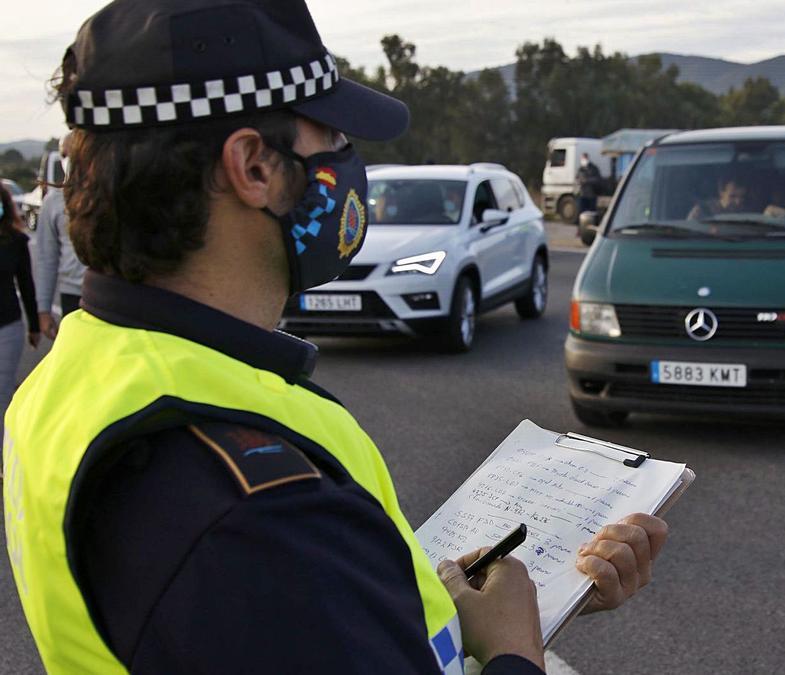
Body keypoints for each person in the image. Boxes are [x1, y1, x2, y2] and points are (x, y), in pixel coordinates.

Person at [2, 2, 667, 674]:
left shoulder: (73, 377)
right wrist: (514, 649)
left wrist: (432, 605)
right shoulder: (260, 514)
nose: (350, 167)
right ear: (254, 167)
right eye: (335, 141)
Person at [35, 131, 87, 339]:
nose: (69, 160)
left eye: (74, 153)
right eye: (64, 155)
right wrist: (44, 309)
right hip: (72, 295)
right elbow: (47, 257)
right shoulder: (53, 202)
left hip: (111, 296)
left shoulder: (110, 195)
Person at [0, 183, 39, 420]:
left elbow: (26, 285)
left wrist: (34, 324)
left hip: (7, 327)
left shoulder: (16, 242)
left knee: (2, 395)